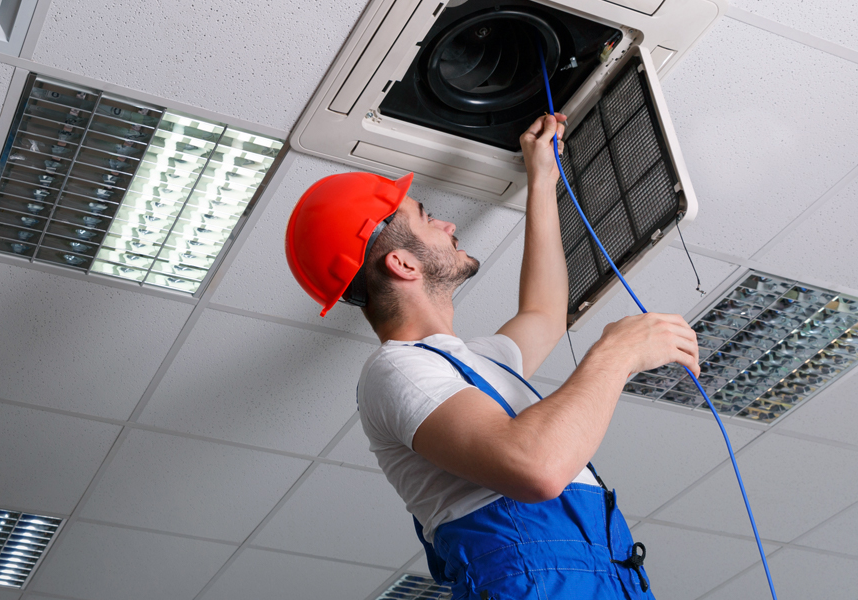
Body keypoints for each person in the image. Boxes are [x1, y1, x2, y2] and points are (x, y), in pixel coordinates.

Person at [284, 114, 700, 599]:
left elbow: (544, 313)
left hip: (598, 576)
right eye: (426, 217)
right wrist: (616, 353)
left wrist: (542, 181)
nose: (449, 223)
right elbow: (537, 467)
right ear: (401, 263)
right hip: (536, 582)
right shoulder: (396, 369)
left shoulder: (478, 361)